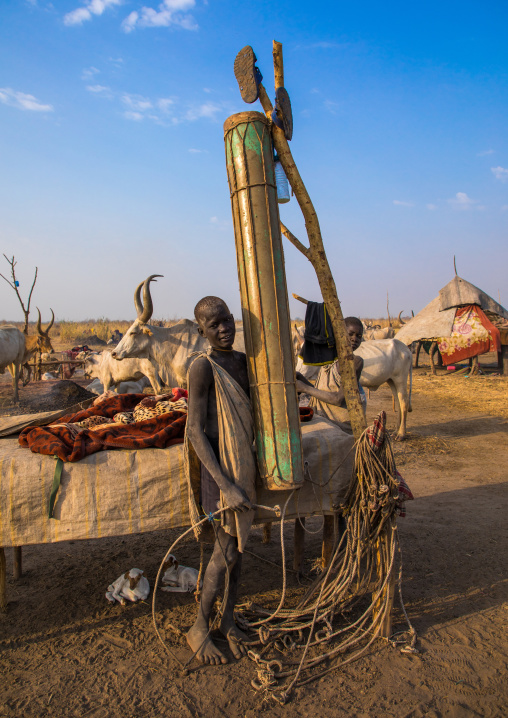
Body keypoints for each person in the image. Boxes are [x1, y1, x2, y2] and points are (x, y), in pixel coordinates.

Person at [185, 296, 255, 665]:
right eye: (214, 326)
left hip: (242, 464)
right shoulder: (203, 367)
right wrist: (225, 484)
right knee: (224, 550)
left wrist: (323, 393)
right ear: (202, 331)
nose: (224, 328)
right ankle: (198, 627)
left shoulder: (244, 363)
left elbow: (288, 379)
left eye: (227, 320)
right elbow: (195, 430)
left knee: (239, 550)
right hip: (219, 471)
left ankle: (227, 621)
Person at [295, 316, 366, 431]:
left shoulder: (355, 362)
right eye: (351, 334)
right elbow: (325, 393)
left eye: (358, 336)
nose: (354, 339)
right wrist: (301, 378)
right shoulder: (331, 360)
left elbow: (338, 399)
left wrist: (304, 388)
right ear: (340, 333)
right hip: (327, 420)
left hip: (341, 425)